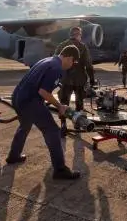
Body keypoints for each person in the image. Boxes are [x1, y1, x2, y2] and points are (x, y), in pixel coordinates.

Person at [6, 45, 81, 180]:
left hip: (17, 97)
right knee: (52, 131)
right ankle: (60, 169)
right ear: (69, 58)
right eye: (73, 62)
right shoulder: (57, 68)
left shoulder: (47, 60)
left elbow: (40, 88)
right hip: (30, 101)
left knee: (25, 125)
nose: (71, 66)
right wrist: (59, 106)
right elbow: (43, 92)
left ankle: (13, 156)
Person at [54, 26, 96, 135]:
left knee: (64, 103)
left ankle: (63, 125)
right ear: (78, 35)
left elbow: (55, 61)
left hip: (65, 80)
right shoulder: (82, 46)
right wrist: (92, 79)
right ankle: (78, 124)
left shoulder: (62, 45)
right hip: (80, 80)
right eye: (80, 35)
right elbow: (88, 65)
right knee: (79, 103)